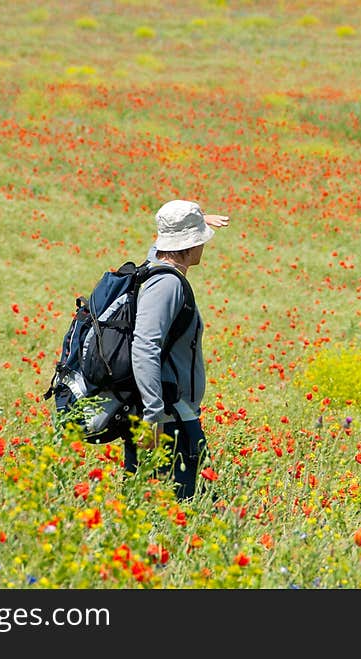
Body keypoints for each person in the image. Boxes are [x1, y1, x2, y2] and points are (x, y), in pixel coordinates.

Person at [128, 199, 220, 500]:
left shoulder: (156, 265)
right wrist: (154, 416)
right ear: (190, 246)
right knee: (186, 507)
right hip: (169, 420)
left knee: (163, 508)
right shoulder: (167, 285)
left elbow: (160, 248)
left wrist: (197, 219)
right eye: (200, 239)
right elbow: (144, 346)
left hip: (172, 415)